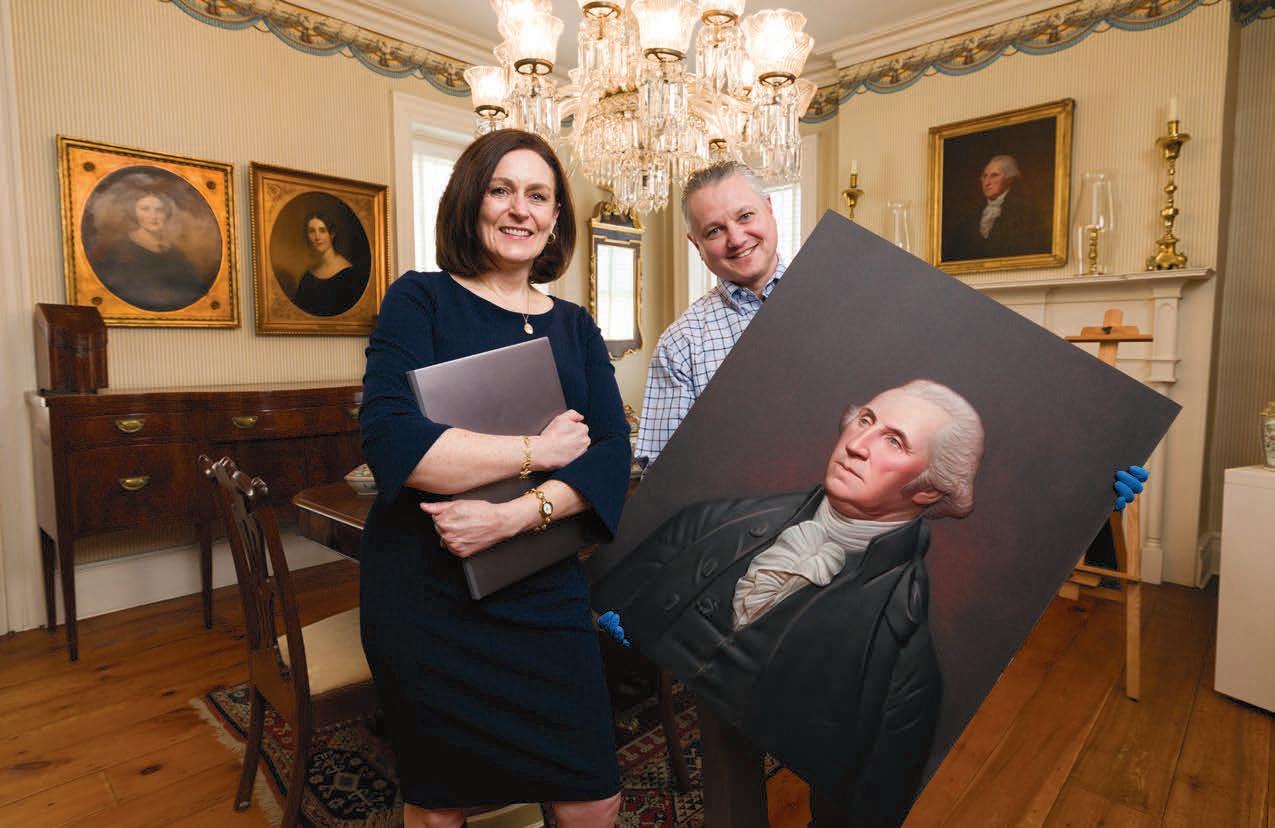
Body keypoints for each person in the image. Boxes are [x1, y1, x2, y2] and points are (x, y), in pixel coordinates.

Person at [358, 129, 629, 828]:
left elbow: (609, 455)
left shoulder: (575, 326)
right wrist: (540, 450)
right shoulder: (419, 299)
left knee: (593, 793)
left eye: (538, 195)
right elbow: (395, 444)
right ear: (469, 201)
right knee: (439, 803)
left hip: (544, 587)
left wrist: (512, 517)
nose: (519, 209)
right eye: (500, 190)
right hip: (427, 593)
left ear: (555, 217)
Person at [599, 380, 984, 827]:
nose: (857, 445)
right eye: (865, 420)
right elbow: (627, 594)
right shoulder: (712, 523)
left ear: (929, 489)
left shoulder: (902, 660)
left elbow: (871, 801)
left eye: (894, 442)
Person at [635, 160, 784, 471]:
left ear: (769, 209)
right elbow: (663, 475)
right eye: (715, 230)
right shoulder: (679, 346)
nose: (737, 238)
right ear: (696, 245)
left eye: (745, 216)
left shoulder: (838, 295)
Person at [90, 187, 210, 311]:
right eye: (145, 209)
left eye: (159, 210)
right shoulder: (120, 249)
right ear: (134, 213)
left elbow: (194, 291)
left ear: (166, 214)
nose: (153, 216)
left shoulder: (176, 253)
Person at [943, 154, 1050, 262]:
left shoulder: (1025, 213)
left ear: (1009, 179)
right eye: (984, 176)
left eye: (994, 175)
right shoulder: (971, 218)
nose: (987, 182)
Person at [289, 210, 369, 316]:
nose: (317, 237)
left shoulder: (350, 275)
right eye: (312, 231)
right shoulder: (308, 277)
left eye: (322, 230)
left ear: (332, 234)